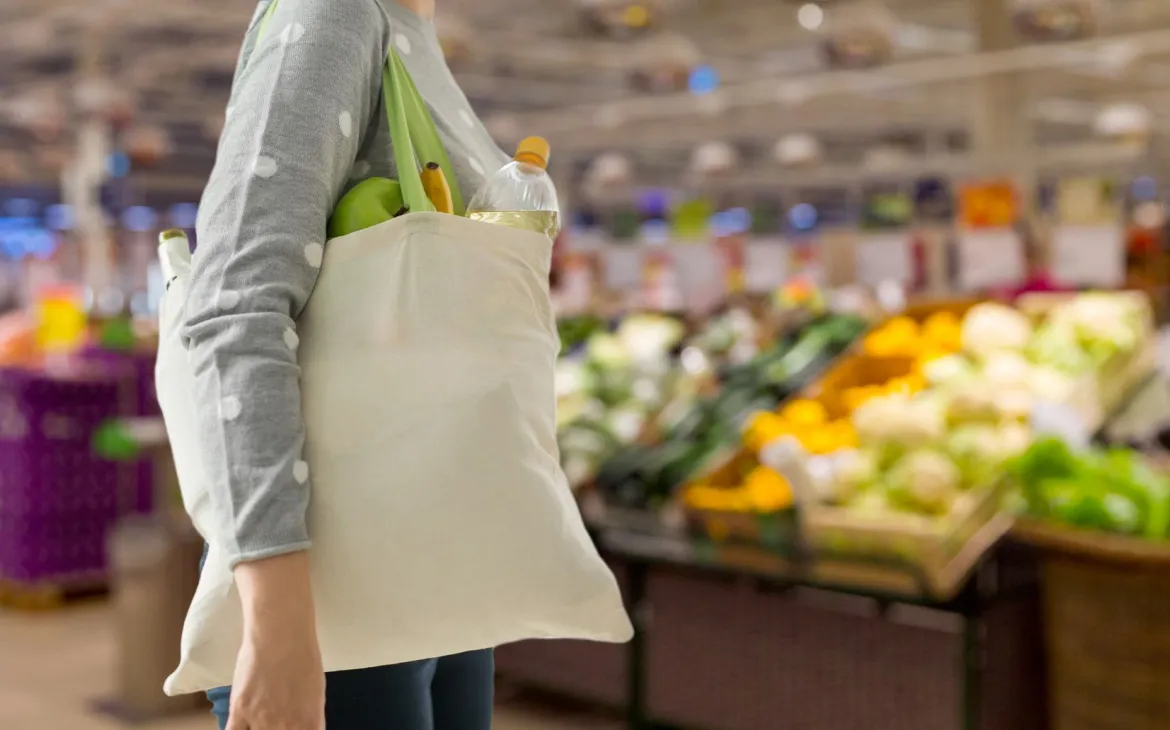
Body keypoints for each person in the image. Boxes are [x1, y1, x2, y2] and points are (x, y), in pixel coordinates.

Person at [182, 0, 508, 728]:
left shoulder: (405, 29)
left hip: (434, 560)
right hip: (340, 592)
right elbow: (237, 305)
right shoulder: (336, 13)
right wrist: (279, 631)